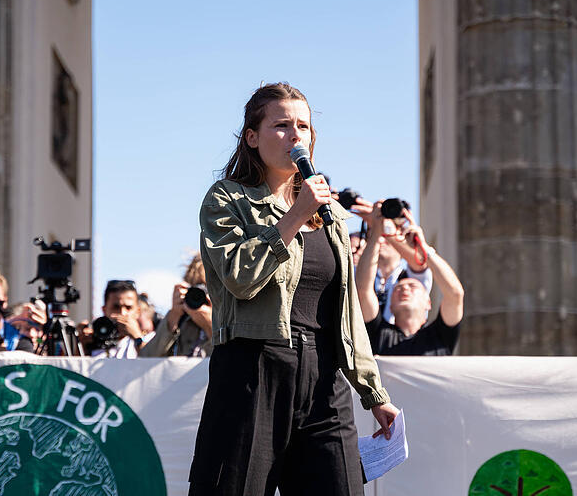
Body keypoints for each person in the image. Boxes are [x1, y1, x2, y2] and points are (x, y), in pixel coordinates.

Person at [189, 83, 398, 496]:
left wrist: (372, 392)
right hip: (254, 366)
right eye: (281, 125)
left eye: (303, 125)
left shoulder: (331, 214)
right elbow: (240, 279)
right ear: (252, 136)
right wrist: (294, 217)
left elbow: (346, 312)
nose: (296, 134)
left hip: (324, 379)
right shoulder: (227, 198)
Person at [355, 203, 465, 355]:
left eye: (413, 287)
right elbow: (363, 291)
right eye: (397, 288)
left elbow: (455, 294)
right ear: (390, 306)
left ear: (428, 302)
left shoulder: (440, 336)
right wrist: (376, 232)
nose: (404, 288)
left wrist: (424, 247)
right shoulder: (378, 334)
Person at [140, 254, 213, 357]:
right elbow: (147, 358)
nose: (200, 294)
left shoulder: (229, 319)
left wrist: (210, 327)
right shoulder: (181, 318)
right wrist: (173, 318)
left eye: (207, 288)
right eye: (196, 287)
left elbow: (233, 361)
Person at [83, 280, 152, 358]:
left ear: (137, 312)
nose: (122, 313)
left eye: (128, 308)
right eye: (116, 307)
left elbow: (155, 364)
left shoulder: (150, 340)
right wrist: (80, 345)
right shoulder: (92, 339)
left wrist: (137, 338)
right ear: (104, 310)